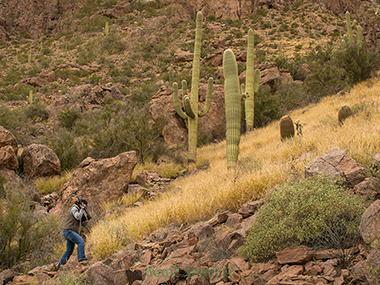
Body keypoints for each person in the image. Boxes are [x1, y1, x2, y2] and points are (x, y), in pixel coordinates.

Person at [55, 197, 91, 270]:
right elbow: (77, 217)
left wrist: (86, 218)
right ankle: (82, 259)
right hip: (69, 231)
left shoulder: (78, 209)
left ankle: (60, 265)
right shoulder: (74, 208)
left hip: (69, 231)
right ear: (81, 204)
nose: (85, 207)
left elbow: (81, 222)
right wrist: (82, 209)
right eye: (84, 205)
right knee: (81, 242)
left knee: (69, 250)